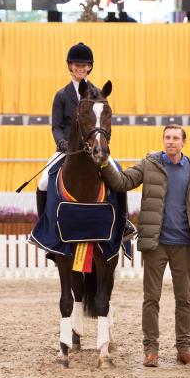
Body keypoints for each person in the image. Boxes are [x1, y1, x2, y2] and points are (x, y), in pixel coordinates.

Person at [99, 124, 190, 367]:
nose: (171, 141)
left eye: (175, 138)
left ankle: (184, 349)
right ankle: (151, 350)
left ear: (184, 142)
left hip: (184, 245)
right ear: (163, 140)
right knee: (151, 299)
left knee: (184, 300)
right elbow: (124, 181)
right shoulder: (149, 163)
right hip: (155, 243)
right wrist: (106, 163)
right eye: (167, 137)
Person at [36, 42, 136, 241]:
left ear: (90, 67)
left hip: (95, 148)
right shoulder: (62, 95)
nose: (80, 68)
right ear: (70, 66)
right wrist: (62, 143)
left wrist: (104, 143)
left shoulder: (99, 93)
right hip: (67, 149)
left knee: (117, 173)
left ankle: (124, 222)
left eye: (84, 65)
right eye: (76, 64)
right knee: (44, 181)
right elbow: (56, 126)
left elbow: (105, 122)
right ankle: (44, 224)